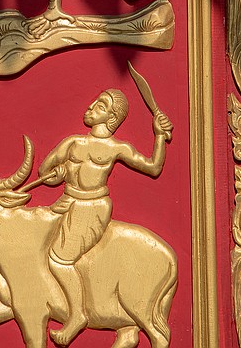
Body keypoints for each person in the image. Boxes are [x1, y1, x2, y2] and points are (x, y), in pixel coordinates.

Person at [38, 88, 173, 346]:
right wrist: (59, 173)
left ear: (111, 118)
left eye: (100, 105)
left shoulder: (116, 148)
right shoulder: (72, 143)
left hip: (92, 208)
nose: (90, 106)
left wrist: (158, 135)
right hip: (65, 203)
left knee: (58, 259)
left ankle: (77, 316)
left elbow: (153, 166)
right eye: (94, 102)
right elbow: (46, 170)